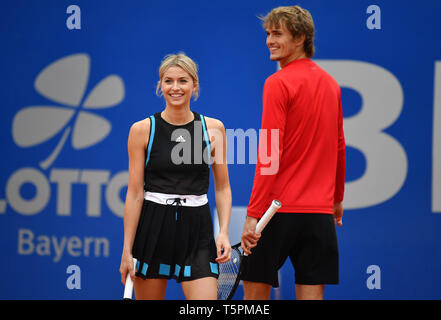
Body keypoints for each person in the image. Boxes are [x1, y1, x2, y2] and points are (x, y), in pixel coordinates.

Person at [240, 5, 346, 300]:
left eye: (277, 34)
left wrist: (253, 214)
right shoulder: (331, 84)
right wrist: (336, 198)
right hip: (319, 216)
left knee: (254, 302)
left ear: (300, 38)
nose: (269, 40)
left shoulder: (277, 82)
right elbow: (339, 144)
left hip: (276, 212)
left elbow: (269, 152)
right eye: (267, 34)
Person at [119, 53, 232, 300]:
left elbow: (222, 187)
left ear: (195, 85)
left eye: (183, 80)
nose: (175, 87)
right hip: (152, 229)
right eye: (168, 81)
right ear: (160, 86)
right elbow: (135, 193)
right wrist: (127, 250)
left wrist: (223, 231)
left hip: (198, 231)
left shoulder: (214, 129)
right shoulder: (141, 130)